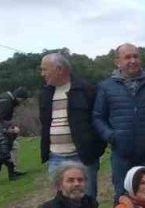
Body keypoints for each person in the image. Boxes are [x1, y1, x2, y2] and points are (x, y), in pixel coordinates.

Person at [93, 44, 145, 204]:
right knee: (123, 198)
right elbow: (98, 117)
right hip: (121, 153)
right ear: (117, 61)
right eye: (127, 57)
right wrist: (111, 136)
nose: (133, 60)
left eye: (136, 56)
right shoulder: (106, 87)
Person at [39, 52, 104, 199]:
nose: (42, 74)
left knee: (86, 200)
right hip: (55, 157)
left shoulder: (86, 90)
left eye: (45, 69)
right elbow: (45, 124)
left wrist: (96, 150)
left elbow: (99, 119)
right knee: (61, 204)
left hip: (82, 157)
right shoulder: (45, 93)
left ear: (59, 69)